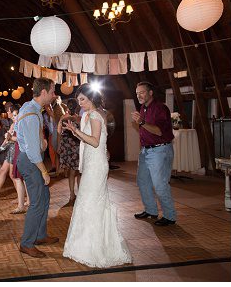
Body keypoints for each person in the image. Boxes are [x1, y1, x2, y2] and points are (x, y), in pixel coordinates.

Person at [60, 86, 132, 268]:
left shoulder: (94, 116)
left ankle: (95, 248)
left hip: (96, 166)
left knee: (90, 202)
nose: (80, 103)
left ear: (91, 99)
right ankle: (85, 245)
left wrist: (75, 131)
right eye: (78, 100)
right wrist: (76, 129)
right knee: (88, 202)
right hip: (92, 162)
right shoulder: (88, 114)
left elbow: (94, 141)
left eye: (82, 99)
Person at [16, 78, 59, 258]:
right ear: (43, 93)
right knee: (36, 202)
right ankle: (27, 243)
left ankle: (40, 235)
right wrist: (43, 171)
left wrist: (41, 142)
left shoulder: (31, 107)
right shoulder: (32, 114)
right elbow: (33, 151)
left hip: (32, 158)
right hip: (31, 161)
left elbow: (35, 143)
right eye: (52, 92)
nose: (54, 95)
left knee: (45, 197)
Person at [130, 82, 177, 226]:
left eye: (142, 92)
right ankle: (151, 210)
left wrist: (141, 122)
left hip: (159, 150)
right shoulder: (143, 108)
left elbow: (159, 131)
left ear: (150, 93)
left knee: (160, 184)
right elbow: (145, 131)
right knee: (143, 181)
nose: (139, 96)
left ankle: (170, 216)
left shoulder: (160, 108)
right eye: (137, 93)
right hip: (146, 151)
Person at [57, 98, 81, 207]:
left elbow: (58, 131)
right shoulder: (79, 118)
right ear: (77, 107)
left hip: (67, 146)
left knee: (71, 172)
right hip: (77, 145)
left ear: (67, 107)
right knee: (79, 171)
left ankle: (72, 194)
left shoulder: (63, 118)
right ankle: (81, 193)